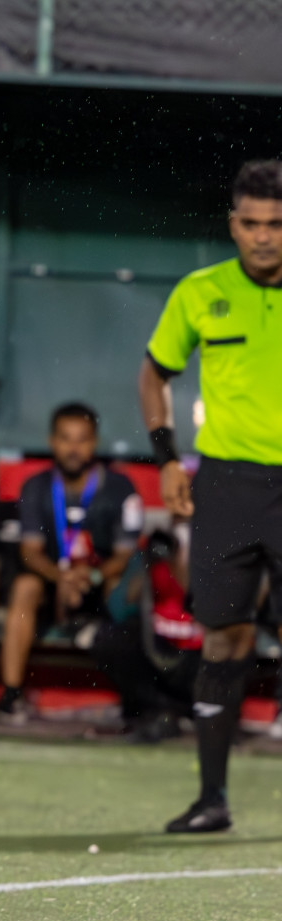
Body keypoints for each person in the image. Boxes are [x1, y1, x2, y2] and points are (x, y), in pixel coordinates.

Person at [139, 159, 282, 834]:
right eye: (251, 224)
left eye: (277, 224)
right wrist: (168, 459)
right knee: (223, 637)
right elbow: (154, 373)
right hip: (225, 484)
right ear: (233, 224)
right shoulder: (199, 292)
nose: (263, 238)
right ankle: (212, 798)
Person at [0, 403, 142, 721]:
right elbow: (30, 552)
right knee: (24, 586)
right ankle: (11, 693)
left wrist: (93, 577)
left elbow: (123, 555)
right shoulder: (35, 487)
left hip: (98, 583)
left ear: (95, 443)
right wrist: (61, 577)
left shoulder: (120, 488)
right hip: (52, 583)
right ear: (51, 441)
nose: (73, 448)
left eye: (82, 439)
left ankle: (138, 697)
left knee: (126, 587)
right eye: (65, 438)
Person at [95, 527, 200, 744]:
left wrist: (176, 562)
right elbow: (119, 607)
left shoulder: (210, 547)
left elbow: (195, 596)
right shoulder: (150, 552)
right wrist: (146, 566)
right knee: (111, 638)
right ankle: (155, 713)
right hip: (157, 644)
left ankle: (190, 713)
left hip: (196, 651)